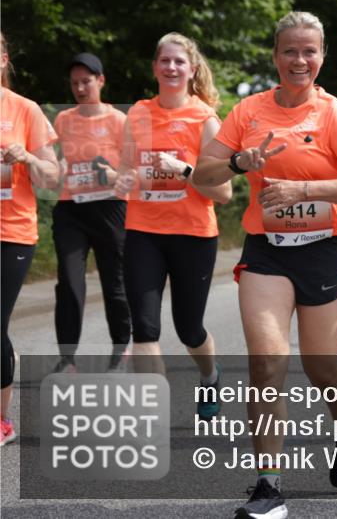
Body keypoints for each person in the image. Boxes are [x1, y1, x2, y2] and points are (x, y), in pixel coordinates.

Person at [193, 11, 337, 519]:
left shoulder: (336, 114)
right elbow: (201, 174)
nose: (300, 60)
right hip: (268, 251)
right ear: (275, 57)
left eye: (309, 51)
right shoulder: (248, 111)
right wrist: (239, 162)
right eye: (290, 51)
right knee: (266, 363)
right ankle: (269, 486)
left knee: (322, 368)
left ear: (322, 57)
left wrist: (304, 189)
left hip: (325, 249)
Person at [114, 33, 231, 414]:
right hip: (143, 233)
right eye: (165, 60)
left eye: (179, 61)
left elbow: (223, 192)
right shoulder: (138, 114)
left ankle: (210, 375)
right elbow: (127, 169)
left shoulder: (205, 119)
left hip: (193, 235)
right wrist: (123, 180)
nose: (171, 67)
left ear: (192, 69)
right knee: (145, 329)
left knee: (189, 330)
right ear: (155, 68)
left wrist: (183, 170)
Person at [51, 53, 131, 373]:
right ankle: (67, 359)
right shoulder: (63, 119)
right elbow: (60, 159)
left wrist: (113, 175)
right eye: (75, 83)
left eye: (86, 81)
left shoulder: (119, 120)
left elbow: (133, 169)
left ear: (101, 80)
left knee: (115, 283)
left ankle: (122, 349)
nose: (80, 88)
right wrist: (58, 167)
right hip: (71, 209)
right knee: (69, 282)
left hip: (110, 207)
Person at [0, 32, 60, 446]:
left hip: (12, 232)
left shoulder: (24, 109)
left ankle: (2, 419)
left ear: (3, 59)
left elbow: (52, 176)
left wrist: (27, 157)